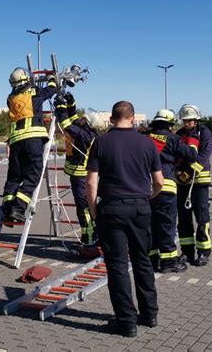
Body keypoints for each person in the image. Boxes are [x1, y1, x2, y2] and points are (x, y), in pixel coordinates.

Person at [86, 101, 164, 337]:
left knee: (118, 266)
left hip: (112, 209)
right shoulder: (147, 143)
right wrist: (148, 197)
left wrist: (93, 211)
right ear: (132, 119)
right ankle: (149, 315)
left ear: (111, 119)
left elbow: (91, 183)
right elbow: (159, 181)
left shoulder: (100, 143)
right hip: (141, 209)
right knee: (143, 262)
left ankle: (127, 322)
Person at [1, 67, 56, 224]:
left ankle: (7, 209)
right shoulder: (34, 94)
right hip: (32, 140)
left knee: (14, 177)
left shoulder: (10, 99)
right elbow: (52, 89)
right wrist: (51, 77)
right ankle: (18, 209)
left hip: (16, 142)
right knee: (33, 175)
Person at [145, 109, 198, 273]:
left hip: (146, 188)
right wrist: (193, 142)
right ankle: (169, 263)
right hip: (166, 186)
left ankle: (152, 260)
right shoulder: (173, 139)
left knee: (150, 225)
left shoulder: (145, 137)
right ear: (169, 125)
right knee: (166, 225)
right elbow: (191, 156)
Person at [54, 93, 99, 245]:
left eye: (84, 118)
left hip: (80, 176)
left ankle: (90, 237)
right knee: (85, 207)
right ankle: (92, 236)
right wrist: (71, 103)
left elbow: (67, 124)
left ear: (88, 123)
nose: (81, 118)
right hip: (79, 175)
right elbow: (73, 118)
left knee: (84, 207)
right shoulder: (84, 130)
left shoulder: (85, 135)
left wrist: (60, 107)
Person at [176, 104, 212, 267]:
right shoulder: (178, 134)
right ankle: (187, 251)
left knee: (201, 217)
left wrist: (191, 171)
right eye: (185, 121)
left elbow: (205, 154)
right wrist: (178, 171)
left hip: (199, 181)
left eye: (190, 121)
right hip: (182, 182)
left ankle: (203, 252)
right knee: (184, 219)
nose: (187, 124)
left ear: (196, 119)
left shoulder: (204, 132)